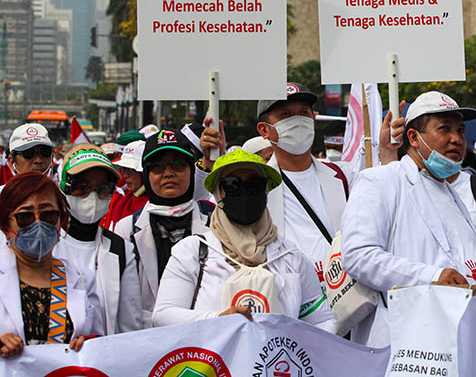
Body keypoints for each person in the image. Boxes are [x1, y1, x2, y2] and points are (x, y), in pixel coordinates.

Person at [341, 91, 476, 347]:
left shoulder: (449, 190)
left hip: (459, 339)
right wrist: (430, 277)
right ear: (413, 137)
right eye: (444, 129)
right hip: (410, 343)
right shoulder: (381, 181)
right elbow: (358, 256)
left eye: (461, 130)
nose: (457, 139)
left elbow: (457, 253)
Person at [153, 149, 336, 332]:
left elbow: (322, 320)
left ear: (266, 191)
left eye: (255, 185)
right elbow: (163, 315)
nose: (245, 193)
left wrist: (295, 345)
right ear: (218, 193)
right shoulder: (193, 251)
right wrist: (218, 319)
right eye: (232, 185)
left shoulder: (291, 257)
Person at [253, 83, 355, 283]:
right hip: (288, 298)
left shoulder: (344, 176)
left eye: (303, 112)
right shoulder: (256, 185)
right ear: (264, 130)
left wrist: (388, 154)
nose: (297, 120)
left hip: (344, 296)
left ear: (313, 118)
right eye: (285, 115)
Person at [114, 129, 212, 328]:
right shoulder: (127, 230)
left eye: (178, 164)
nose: (168, 173)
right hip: (146, 342)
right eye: (158, 167)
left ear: (191, 170)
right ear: (147, 174)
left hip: (204, 339)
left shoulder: (214, 222)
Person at [0, 172, 103, 357]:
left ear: (61, 221)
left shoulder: (83, 279)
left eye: (48, 215)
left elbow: (101, 344)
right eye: (25, 217)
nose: (38, 224)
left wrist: (91, 346)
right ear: (5, 228)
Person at [54, 145, 141, 335]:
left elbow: (130, 327)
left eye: (102, 189)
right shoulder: (47, 246)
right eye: (82, 187)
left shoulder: (121, 250)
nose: (92, 196)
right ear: (65, 189)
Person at [102, 140, 148, 231]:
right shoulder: (123, 202)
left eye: (130, 170)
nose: (125, 175)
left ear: (143, 172)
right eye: (123, 170)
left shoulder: (154, 205)